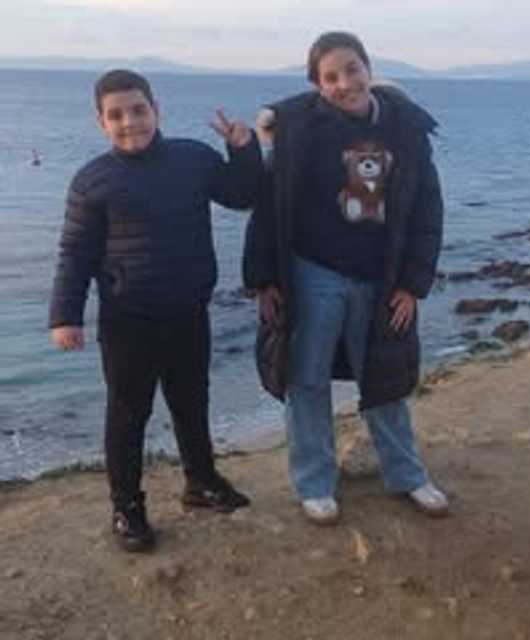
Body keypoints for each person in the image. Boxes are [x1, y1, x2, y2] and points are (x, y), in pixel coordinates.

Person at [49, 69, 261, 552]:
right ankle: (127, 507)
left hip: (188, 310)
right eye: (116, 115)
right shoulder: (92, 181)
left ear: (156, 110)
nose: (130, 122)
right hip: (127, 320)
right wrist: (65, 316)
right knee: (128, 414)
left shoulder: (193, 158)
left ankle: (201, 481)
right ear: (102, 122)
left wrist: (243, 149)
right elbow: (75, 254)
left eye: (138, 110)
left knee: (191, 401)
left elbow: (243, 195)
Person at [243, 31, 448, 525]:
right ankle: (315, 483)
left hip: (382, 276)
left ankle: (406, 474)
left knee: (385, 380)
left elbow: (427, 209)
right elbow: (269, 206)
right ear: (316, 85)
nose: (344, 84)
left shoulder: (405, 127)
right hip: (314, 271)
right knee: (307, 379)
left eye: (352, 70)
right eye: (330, 77)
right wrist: (263, 278)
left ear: (368, 68)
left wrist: (412, 285)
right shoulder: (301, 131)